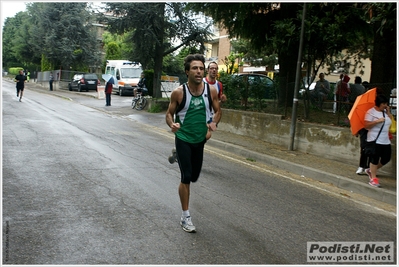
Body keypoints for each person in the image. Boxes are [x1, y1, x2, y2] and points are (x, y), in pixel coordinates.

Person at [165, 54, 221, 233]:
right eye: (195, 68)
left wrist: (211, 127)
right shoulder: (179, 93)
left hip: (200, 140)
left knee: (195, 176)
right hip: (183, 138)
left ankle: (176, 156)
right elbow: (168, 114)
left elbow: (218, 111)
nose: (199, 71)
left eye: (201, 68)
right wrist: (172, 124)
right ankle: (185, 216)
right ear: (187, 71)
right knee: (187, 176)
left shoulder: (210, 91)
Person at [364, 94, 393, 187]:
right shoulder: (371, 112)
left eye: (386, 103)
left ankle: (371, 170)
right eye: (383, 103)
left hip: (385, 140)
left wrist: (388, 112)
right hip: (374, 139)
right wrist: (377, 121)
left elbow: (390, 122)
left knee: (386, 158)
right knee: (374, 159)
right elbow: (366, 125)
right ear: (378, 104)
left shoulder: (385, 112)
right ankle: (373, 178)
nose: (385, 105)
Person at [203, 61, 227, 140]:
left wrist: (222, 101)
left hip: (212, 116)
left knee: (206, 136)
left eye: (216, 69)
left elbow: (217, 103)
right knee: (202, 135)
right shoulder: (201, 82)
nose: (214, 70)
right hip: (200, 114)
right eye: (212, 68)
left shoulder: (219, 85)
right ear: (207, 70)